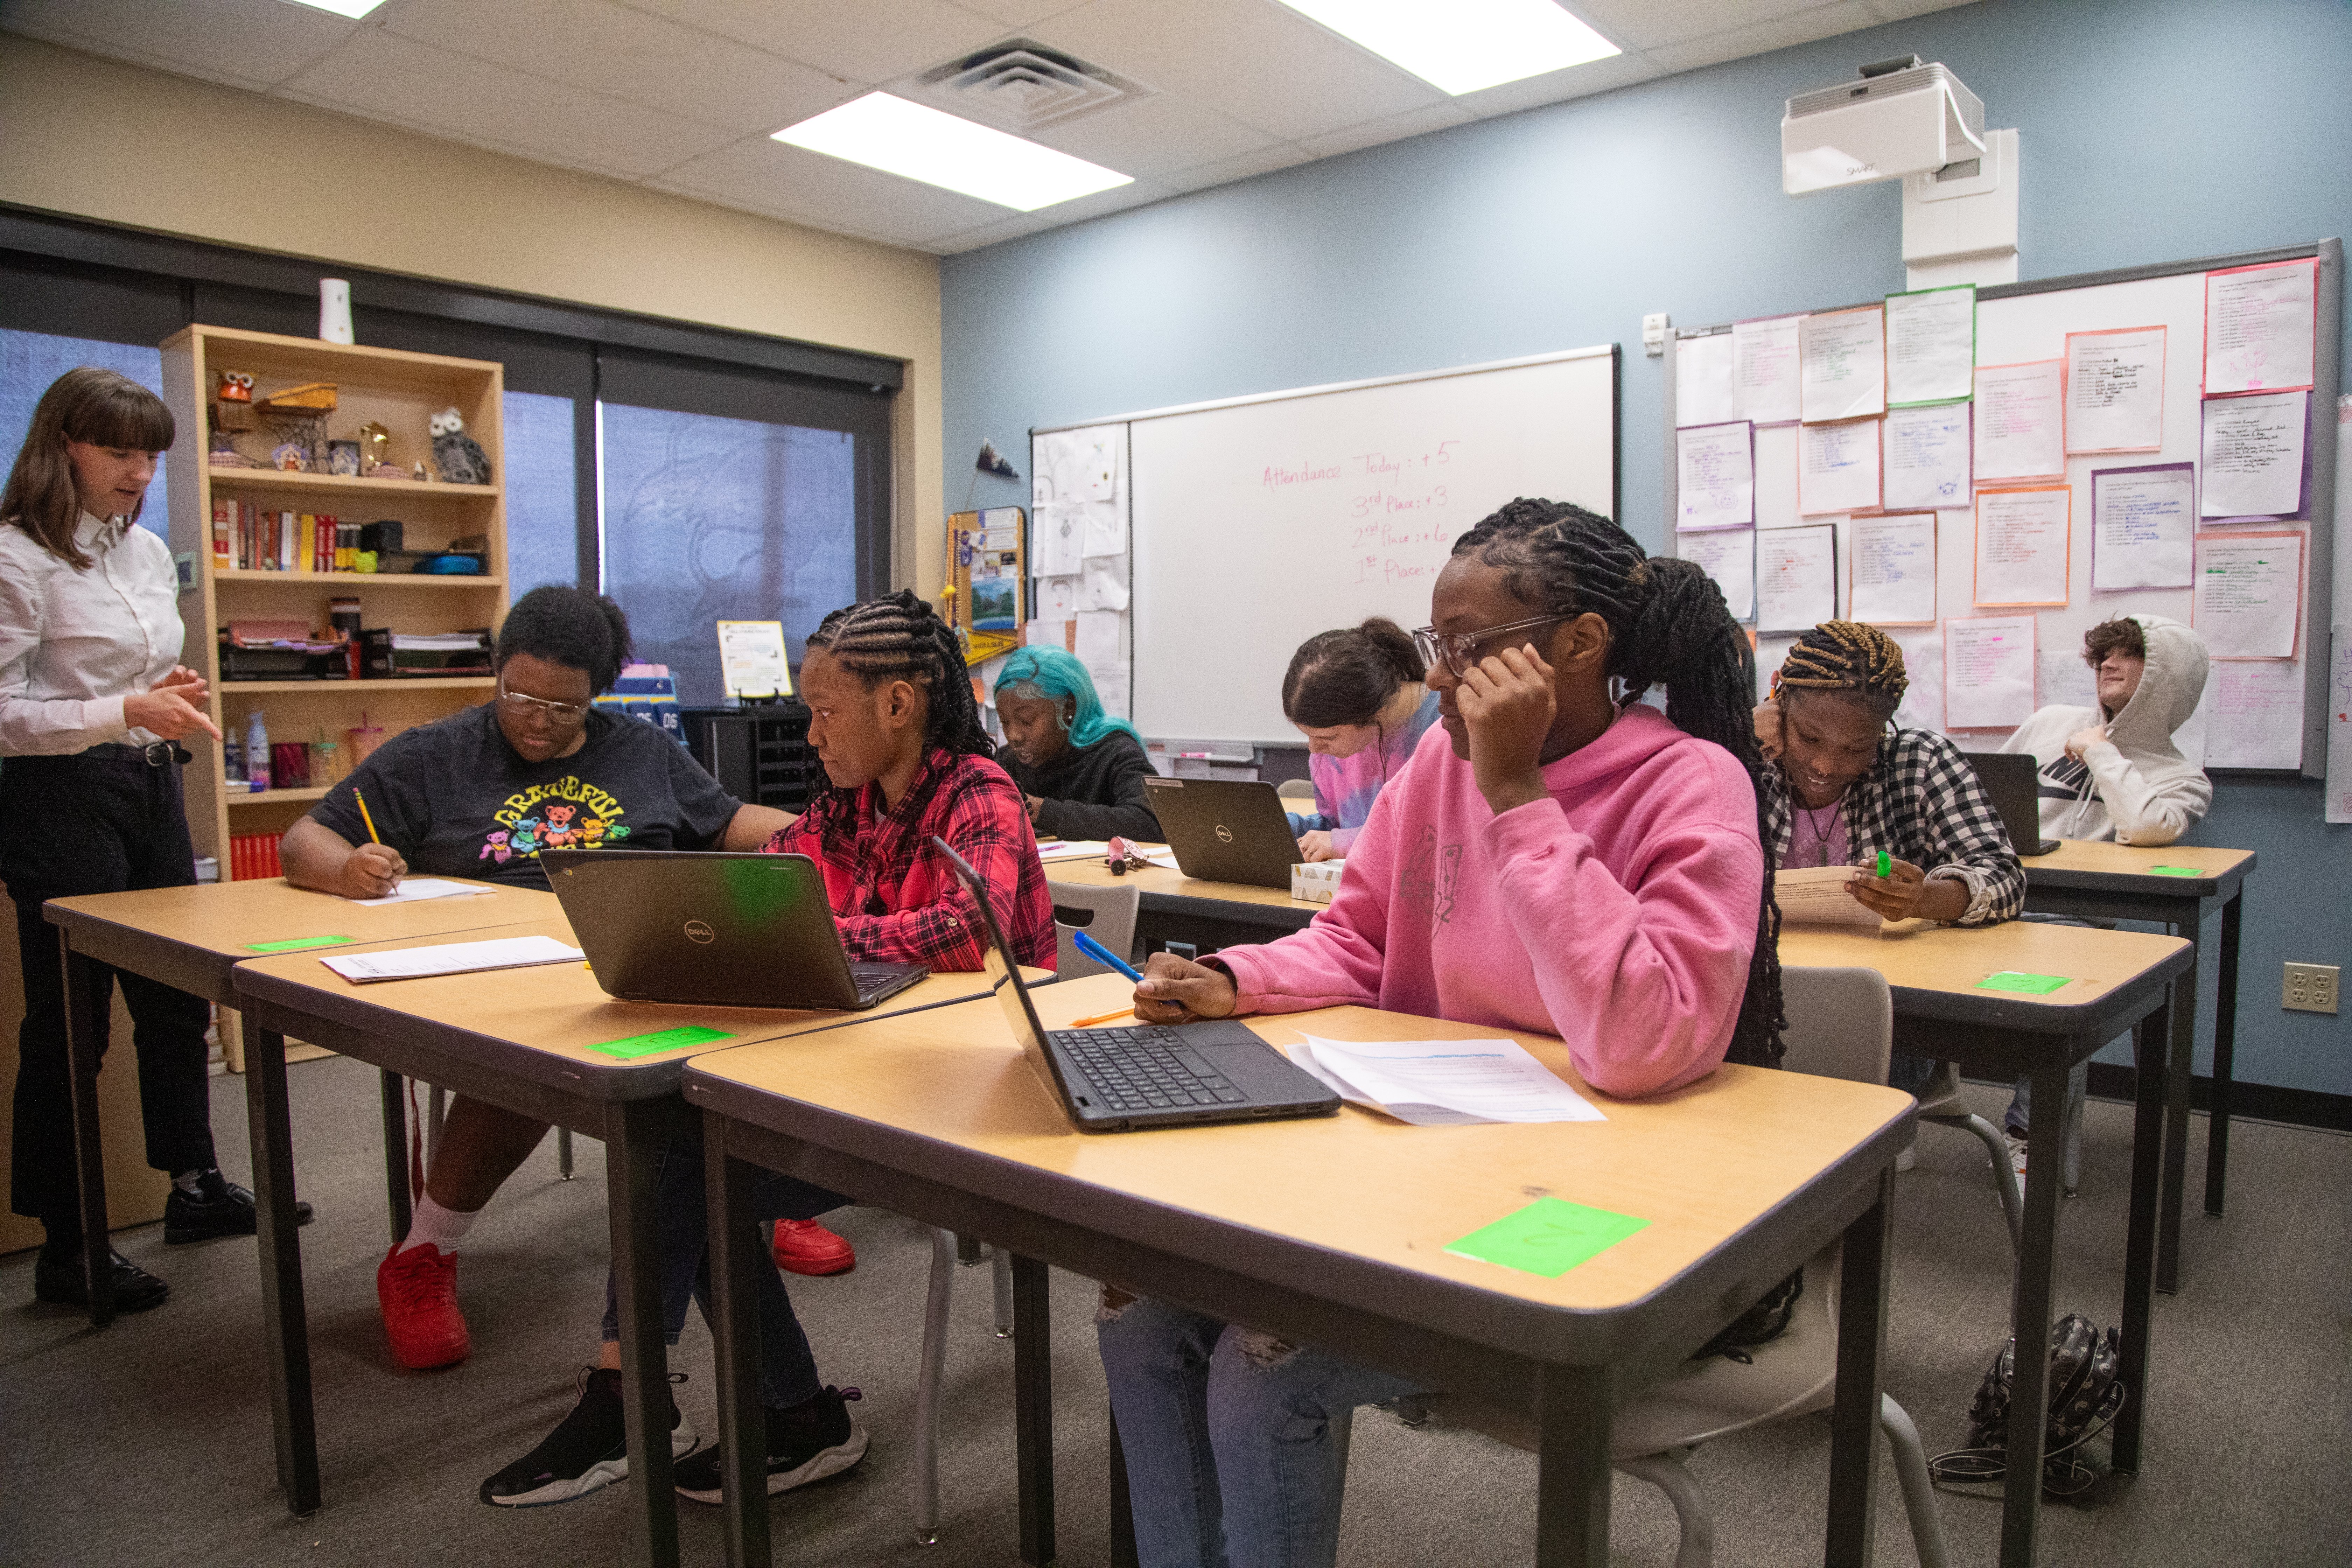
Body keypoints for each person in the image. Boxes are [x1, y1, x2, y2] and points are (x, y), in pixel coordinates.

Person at [1100, 498, 1782, 1568]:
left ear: (1577, 645)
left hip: (1597, 1209)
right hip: (1426, 1169)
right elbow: (1360, 940)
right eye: (1438, 644)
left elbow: (1645, 1039)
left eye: (1472, 647)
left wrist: (1517, 795)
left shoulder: (1690, 783)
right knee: (1142, 1319)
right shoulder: (1433, 770)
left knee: (1261, 1365)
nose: (1446, 672)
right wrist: (1238, 978)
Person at [481, 589, 1057, 1507]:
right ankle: (763, 1413)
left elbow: (964, 932)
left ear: (899, 706)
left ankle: (656, 1400)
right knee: (686, 1157)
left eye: (826, 712)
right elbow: (759, 890)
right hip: (865, 1074)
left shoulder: (979, 794)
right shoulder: (846, 807)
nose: (813, 735)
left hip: (976, 1099)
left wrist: (816, 933)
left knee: (683, 1166)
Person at [280, 586, 802, 1370]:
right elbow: (304, 837)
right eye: (519, 696)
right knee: (534, 1058)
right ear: (497, 674)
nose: (536, 718)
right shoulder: (434, 755)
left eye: (565, 708)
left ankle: (768, 1203)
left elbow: (724, 820)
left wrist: (825, 836)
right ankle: (424, 1252)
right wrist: (348, 869)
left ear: (596, 695)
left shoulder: (639, 748)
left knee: (774, 999)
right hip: (501, 977)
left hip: (639, 958)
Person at [2, 366, 307, 1315]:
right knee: (71, 1029)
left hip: (147, 787)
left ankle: (193, 1186)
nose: (141, 472)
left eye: (152, 456)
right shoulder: (15, 556)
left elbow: (130, 670)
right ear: (66, 448)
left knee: (178, 1002)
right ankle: (67, 1246)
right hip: (60, 797)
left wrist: (158, 690)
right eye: (121, 452)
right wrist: (115, 707)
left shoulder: (142, 552)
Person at [1995, 614, 2212, 1161]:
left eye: (2130, 654)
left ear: (2168, 677)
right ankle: (1910, 1100)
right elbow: (1986, 793)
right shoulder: (2049, 721)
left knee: (2053, 972)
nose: (2108, 664)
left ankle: (2027, 1136)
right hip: (2002, 895)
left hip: (2073, 922)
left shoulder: (2182, 777)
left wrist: (2101, 751)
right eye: (2103, 655)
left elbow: (2146, 827)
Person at [1279, 617, 1441, 862]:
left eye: (1328, 737)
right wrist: (1281, 828)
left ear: (1372, 712)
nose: (1315, 749)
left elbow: (1442, 836)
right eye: (1309, 736)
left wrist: (1344, 843)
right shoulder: (1333, 752)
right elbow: (1336, 827)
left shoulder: (1449, 724)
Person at [992, 644, 1160, 841]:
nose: (1013, 736)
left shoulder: (1115, 751)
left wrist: (1043, 811)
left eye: (1026, 720)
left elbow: (1151, 823)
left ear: (1069, 707)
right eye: (1004, 721)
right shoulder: (1006, 763)